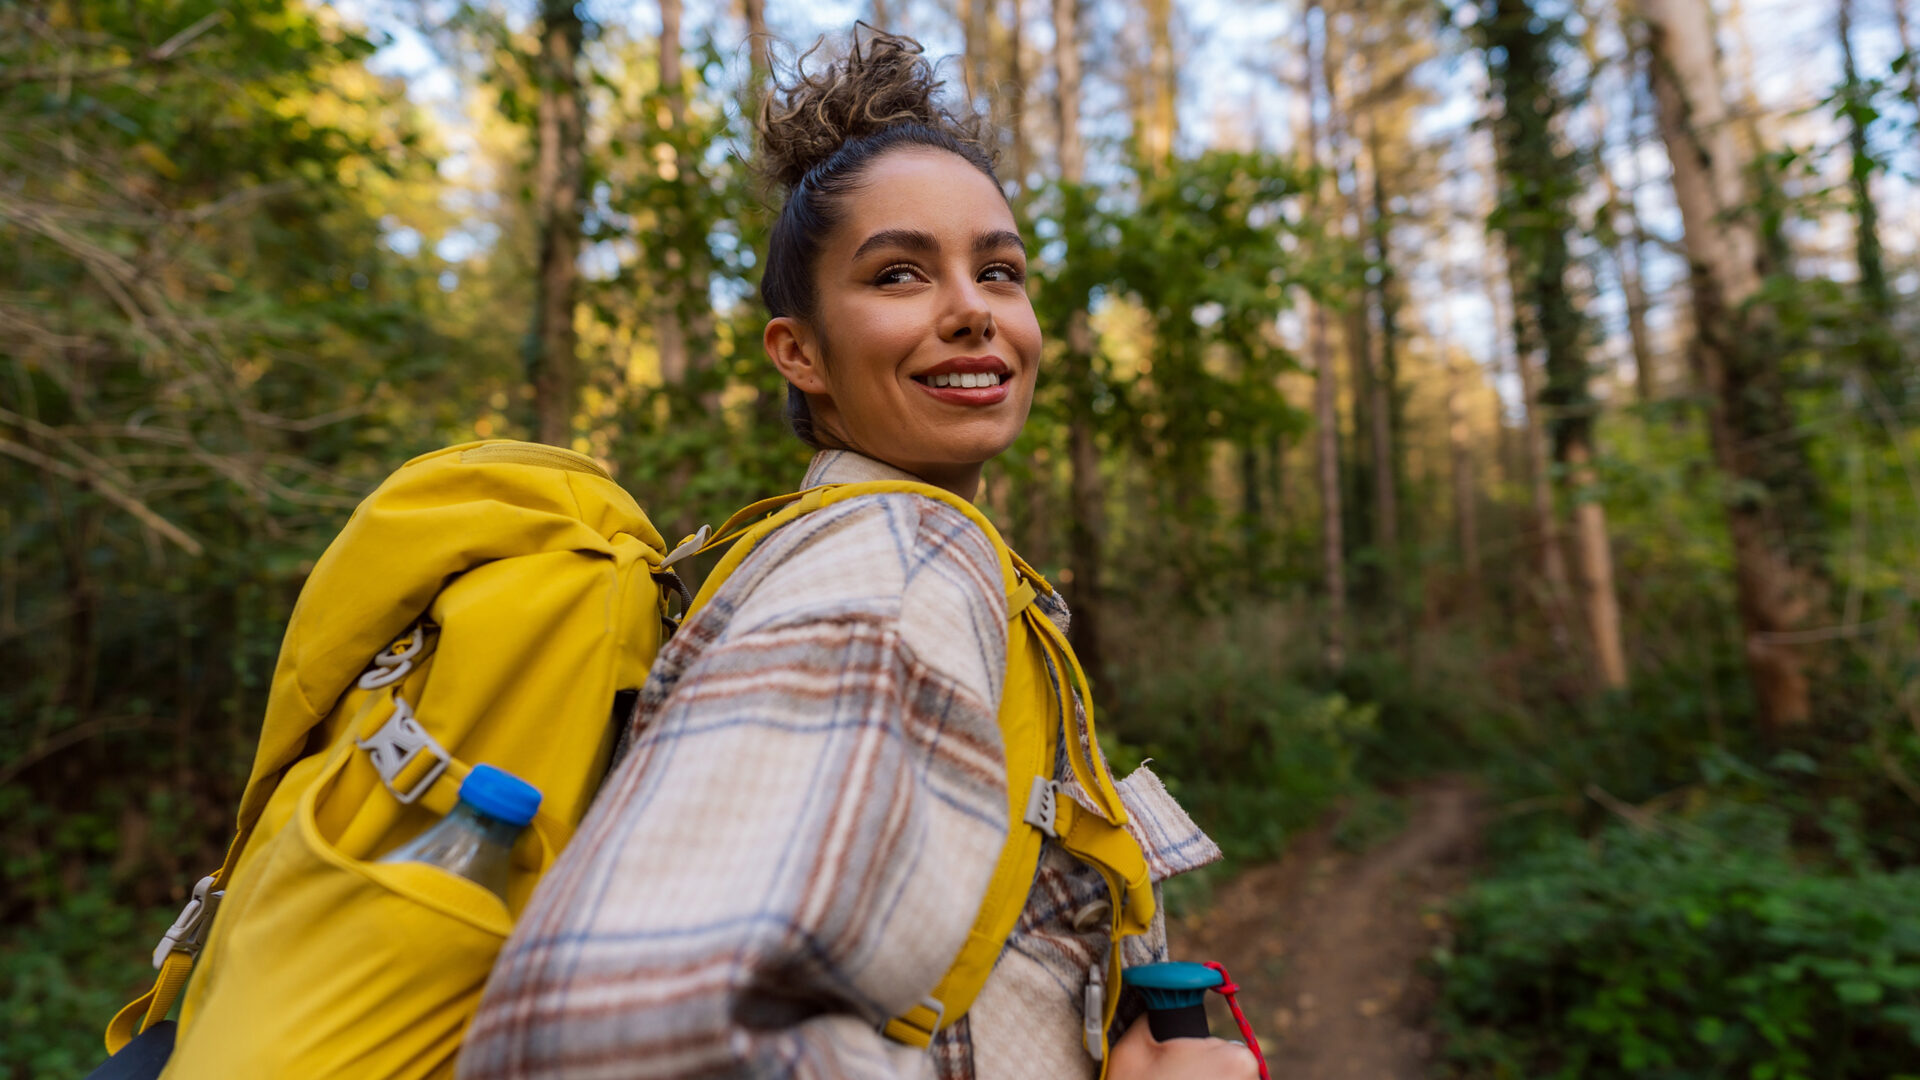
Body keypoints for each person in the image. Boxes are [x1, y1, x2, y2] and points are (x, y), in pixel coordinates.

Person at [456, 27, 1255, 1080]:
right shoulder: (900, 566)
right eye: (899, 274)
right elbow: (615, 1041)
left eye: (999, 270)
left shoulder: (849, 554)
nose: (972, 310)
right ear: (800, 352)